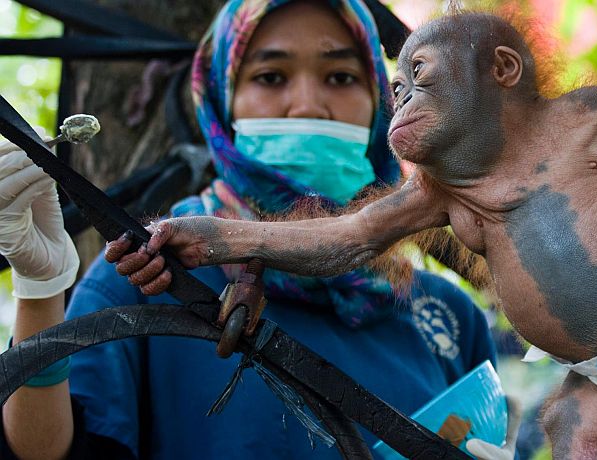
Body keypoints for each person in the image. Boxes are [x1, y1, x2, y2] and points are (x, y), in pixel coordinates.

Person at [108, 6, 597, 459]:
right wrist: (223, 238)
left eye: (418, 75)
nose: (403, 99)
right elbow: (347, 238)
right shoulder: (438, 191)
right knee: (569, 431)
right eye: (396, 88)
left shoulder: (583, 121)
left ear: (502, 72)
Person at [0, 1, 517, 458]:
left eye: (341, 78)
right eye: (271, 77)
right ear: (223, 104)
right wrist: (41, 289)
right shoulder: (146, 274)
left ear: (382, 105)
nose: (308, 104)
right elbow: (48, 451)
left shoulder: (447, 318)